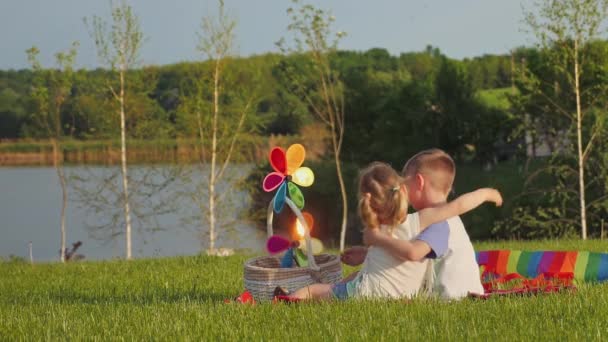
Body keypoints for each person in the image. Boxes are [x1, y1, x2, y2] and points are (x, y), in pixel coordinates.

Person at [278, 161, 502, 301]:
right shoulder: (420, 220)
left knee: (315, 290)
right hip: (401, 295)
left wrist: (376, 240)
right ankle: (331, 289)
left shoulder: (373, 229)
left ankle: (288, 301)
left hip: (369, 294)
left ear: (368, 202)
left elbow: (404, 253)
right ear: (401, 191)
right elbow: (457, 206)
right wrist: (486, 194)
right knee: (357, 277)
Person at [345, 149, 488, 299]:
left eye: (405, 183)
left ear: (419, 182)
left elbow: (413, 253)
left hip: (452, 297)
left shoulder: (437, 222)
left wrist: (378, 238)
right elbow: (402, 255)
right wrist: (367, 254)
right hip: (464, 293)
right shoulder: (440, 217)